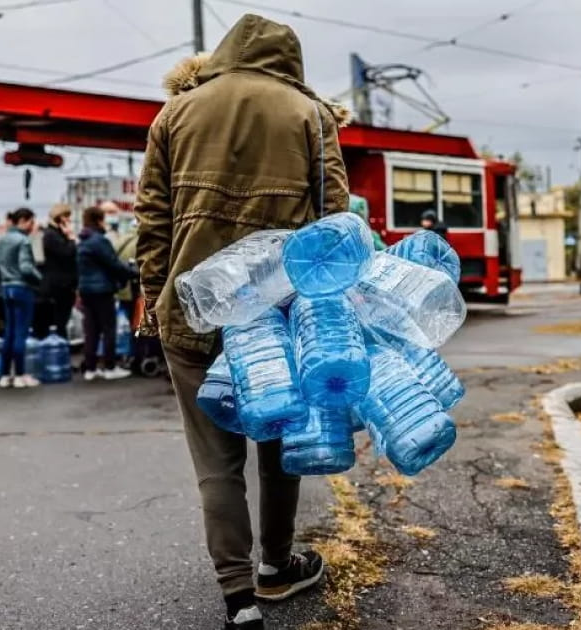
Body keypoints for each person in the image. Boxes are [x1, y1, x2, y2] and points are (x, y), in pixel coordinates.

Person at [134, 14, 350, 629]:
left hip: (191, 309)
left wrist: (157, 292)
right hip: (278, 316)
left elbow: (151, 219)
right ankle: (277, 568)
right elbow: (337, 218)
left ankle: (237, 596)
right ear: (290, 60)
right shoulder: (310, 115)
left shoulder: (174, 114)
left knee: (215, 461)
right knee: (278, 442)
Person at [77, 205, 135, 382]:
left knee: (91, 330)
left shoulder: (83, 240)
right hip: (102, 290)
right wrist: (133, 272)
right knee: (108, 329)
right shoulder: (99, 241)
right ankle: (110, 367)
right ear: (99, 220)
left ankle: (91, 368)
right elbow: (114, 264)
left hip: (86, 290)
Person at [0, 207, 42, 388]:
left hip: (6, 288)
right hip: (22, 288)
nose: (32, 226)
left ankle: (5, 375)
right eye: (31, 222)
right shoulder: (23, 241)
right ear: (22, 220)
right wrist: (39, 279)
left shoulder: (2, 239)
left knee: (9, 332)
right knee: (21, 333)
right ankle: (21, 374)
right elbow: (26, 268)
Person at [42, 203, 78, 339]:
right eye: (67, 217)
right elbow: (67, 252)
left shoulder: (56, 234)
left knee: (63, 317)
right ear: (60, 217)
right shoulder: (51, 235)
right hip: (60, 284)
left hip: (64, 283)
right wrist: (71, 238)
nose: (69, 220)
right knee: (61, 319)